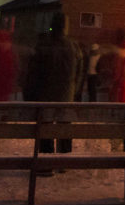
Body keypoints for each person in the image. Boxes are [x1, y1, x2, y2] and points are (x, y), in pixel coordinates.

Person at [24, 13, 82, 159]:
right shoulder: (74, 47)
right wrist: (75, 91)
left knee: (46, 128)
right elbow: (80, 73)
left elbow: (32, 74)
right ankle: (64, 160)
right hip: (66, 96)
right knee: (64, 127)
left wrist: (29, 95)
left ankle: (46, 161)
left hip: (45, 96)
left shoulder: (43, 46)